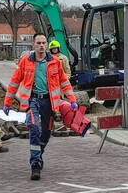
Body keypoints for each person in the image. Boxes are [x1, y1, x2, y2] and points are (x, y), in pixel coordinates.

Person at [4, 32, 78, 180]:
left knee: (46, 133)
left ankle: (39, 153)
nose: (42, 45)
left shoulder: (55, 62)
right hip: (32, 102)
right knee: (34, 128)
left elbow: (64, 82)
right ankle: (35, 164)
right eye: (39, 43)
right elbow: (14, 82)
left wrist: (72, 99)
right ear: (33, 45)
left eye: (44, 43)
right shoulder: (25, 61)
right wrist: (7, 102)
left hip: (49, 104)